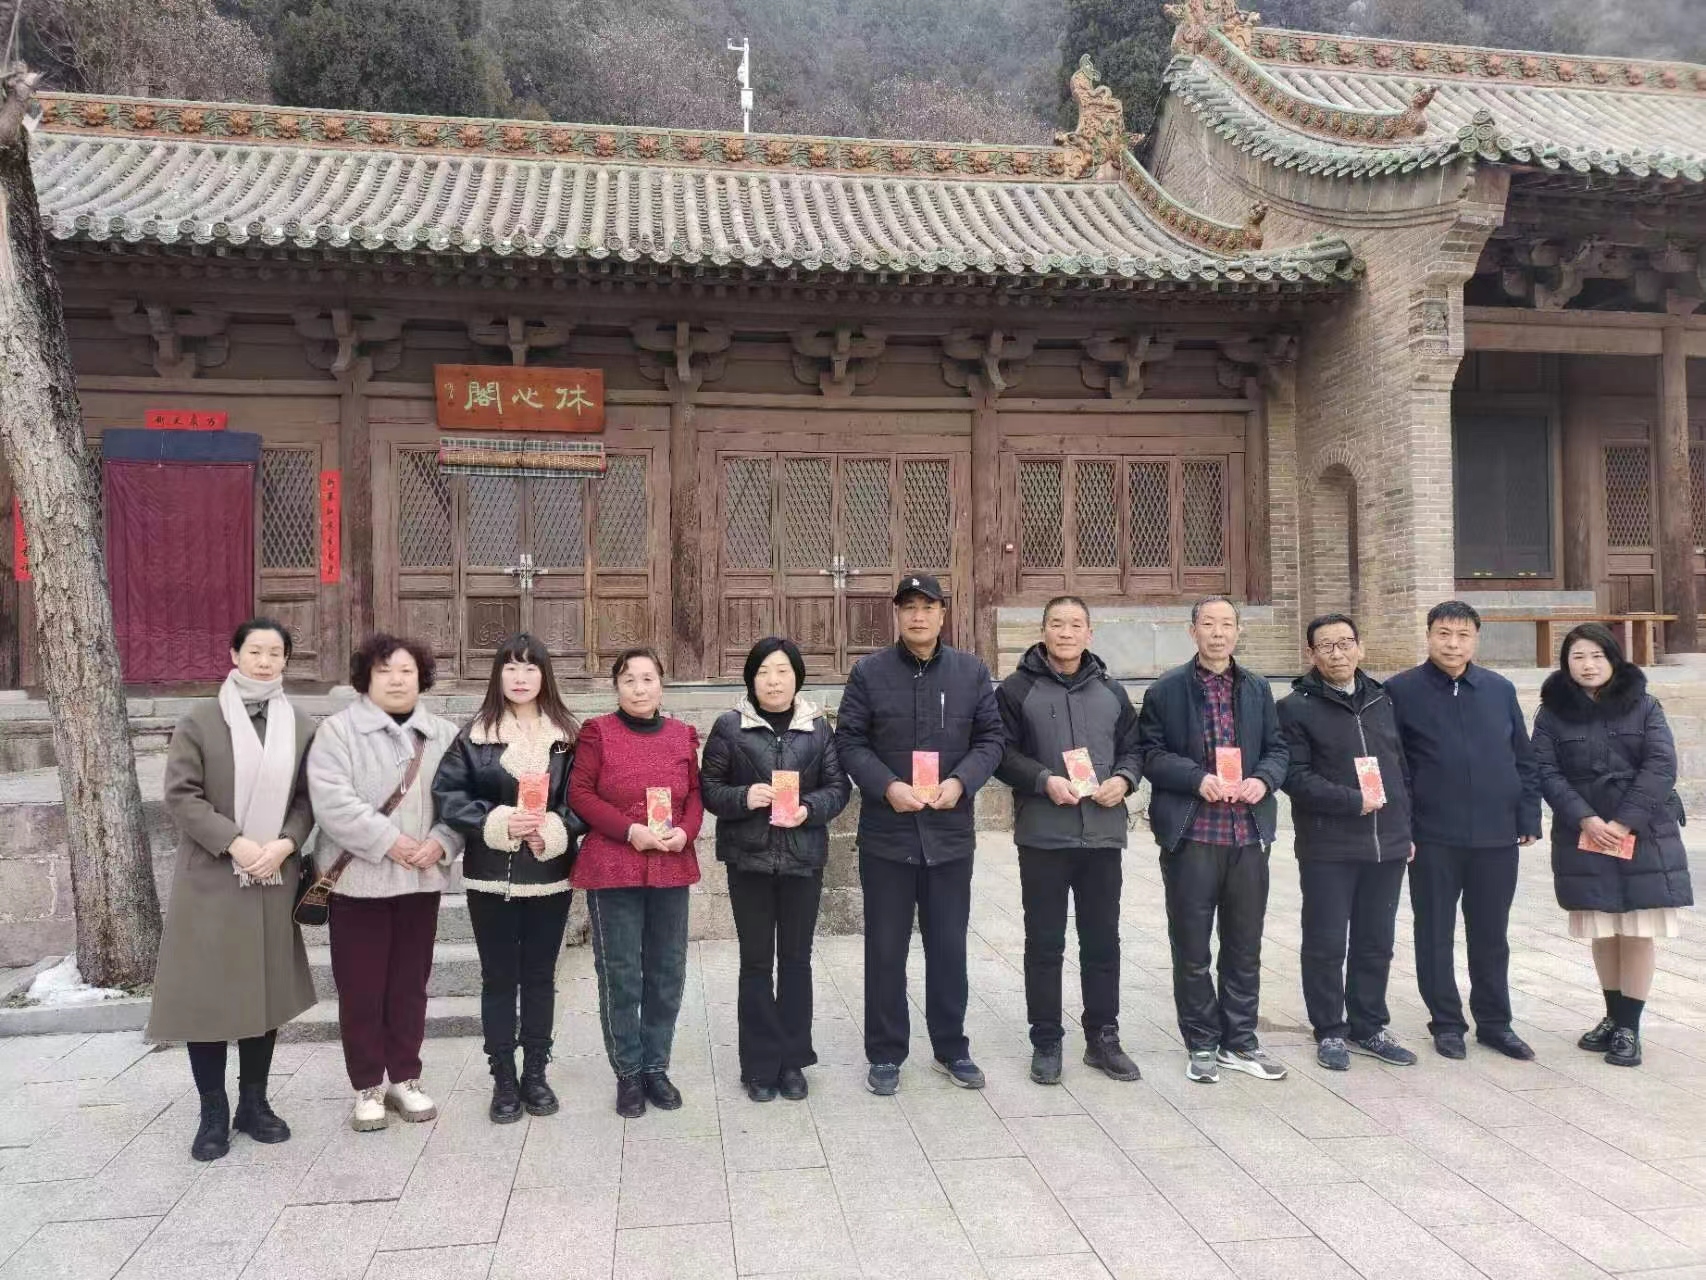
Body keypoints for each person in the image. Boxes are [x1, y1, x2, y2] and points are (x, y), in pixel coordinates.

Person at [146, 617, 317, 1162]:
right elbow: (182, 795)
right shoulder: (201, 720)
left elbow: (307, 799)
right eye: (255, 651)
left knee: (262, 993)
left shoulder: (300, 725)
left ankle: (254, 1103)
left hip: (273, 877)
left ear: (286, 660)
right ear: (234, 654)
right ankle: (212, 1112)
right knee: (209, 996)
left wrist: (286, 843)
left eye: (275, 653)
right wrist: (235, 842)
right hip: (213, 877)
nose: (265, 662)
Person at [835, 573, 1004, 1096]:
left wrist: (961, 781)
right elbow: (849, 742)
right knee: (885, 951)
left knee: (949, 949)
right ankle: (886, 1053)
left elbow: (991, 740)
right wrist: (887, 786)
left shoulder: (971, 673)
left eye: (927, 606)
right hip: (888, 836)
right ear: (897, 614)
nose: (918, 615)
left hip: (949, 835)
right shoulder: (869, 673)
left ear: (942, 614)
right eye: (908, 606)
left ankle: (951, 1047)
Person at [307, 634, 464, 1132]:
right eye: (384, 671)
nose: (396, 680)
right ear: (366, 678)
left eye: (406, 671)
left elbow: (461, 798)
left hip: (420, 881)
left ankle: (406, 1077)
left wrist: (442, 841)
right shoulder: (337, 732)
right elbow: (332, 802)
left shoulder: (443, 733)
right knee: (361, 988)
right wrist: (390, 841)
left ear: (421, 677)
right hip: (359, 884)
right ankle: (368, 1085)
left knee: (409, 986)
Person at [1137, 595, 1290, 1084]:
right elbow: (1150, 754)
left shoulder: (1257, 688)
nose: (1218, 633)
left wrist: (1263, 779)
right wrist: (1196, 777)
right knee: (1192, 947)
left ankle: (1240, 1041)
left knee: (1244, 945)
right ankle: (1202, 1041)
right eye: (1209, 624)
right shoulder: (1166, 690)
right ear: (1193, 631)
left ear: (1238, 632)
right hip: (1193, 834)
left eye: (1227, 624)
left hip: (1247, 833)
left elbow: (1278, 749)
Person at [433, 634, 583, 1124]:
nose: (520, 678)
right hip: (490, 877)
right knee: (498, 978)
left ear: (545, 676)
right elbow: (449, 795)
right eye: (511, 668)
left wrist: (554, 829)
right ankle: (502, 1076)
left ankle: (536, 1072)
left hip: (549, 875)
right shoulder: (475, 736)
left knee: (540, 976)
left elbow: (582, 798)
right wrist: (497, 821)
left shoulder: (567, 737)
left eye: (530, 668)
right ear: (498, 675)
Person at [997, 597, 1144, 1086]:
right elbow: (1001, 752)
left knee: (1102, 941)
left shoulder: (1111, 691)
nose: (1066, 632)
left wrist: (1124, 779)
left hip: (1102, 834)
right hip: (1044, 835)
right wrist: (1043, 780)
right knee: (1045, 942)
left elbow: (1134, 748)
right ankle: (1046, 1040)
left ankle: (1103, 1038)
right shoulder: (1017, 689)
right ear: (1043, 631)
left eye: (1075, 624)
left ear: (1089, 632)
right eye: (1057, 624)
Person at [1532, 623, 1693, 1069]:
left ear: (1613, 659)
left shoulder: (1644, 705)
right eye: (1578, 656)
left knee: (1637, 930)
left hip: (1644, 833)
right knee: (1602, 929)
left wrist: (1623, 822)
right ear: (1566, 663)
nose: (1588, 665)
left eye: (1597, 655)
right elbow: (1545, 771)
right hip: (1585, 834)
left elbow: (1661, 765)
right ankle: (1612, 1015)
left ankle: (1629, 1028)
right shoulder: (1551, 713)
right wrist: (1586, 818)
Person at [1386, 600, 1541, 1062]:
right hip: (1432, 836)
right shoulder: (1400, 691)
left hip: (1496, 835)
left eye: (1463, 635)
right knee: (1434, 931)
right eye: (1444, 634)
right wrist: (1403, 828)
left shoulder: (1498, 689)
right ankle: (1447, 1022)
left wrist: (1528, 816)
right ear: (1428, 635)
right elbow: (1395, 767)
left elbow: (1523, 757)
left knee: (1491, 934)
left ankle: (1495, 1023)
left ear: (1476, 639)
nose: (1453, 644)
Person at [701, 637, 852, 1102]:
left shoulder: (817, 728)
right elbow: (709, 789)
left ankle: (792, 1061)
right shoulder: (730, 727)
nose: (773, 680)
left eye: (783, 671)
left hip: (803, 860)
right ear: (751, 678)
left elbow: (838, 788)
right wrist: (744, 797)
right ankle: (759, 1064)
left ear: (797, 678)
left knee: (796, 961)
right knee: (755, 962)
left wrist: (809, 809)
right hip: (748, 859)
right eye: (764, 671)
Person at [1278, 613, 1417, 1072]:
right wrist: (1351, 801)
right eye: (1326, 646)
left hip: (1387, 843)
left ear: (1361, 647)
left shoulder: (1384, 699)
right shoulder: (1294, 708)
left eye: (1345, 643)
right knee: (1326, 942)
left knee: (1376, 942)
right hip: (1329, 846)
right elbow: (1295, 777)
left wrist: (1406, 829)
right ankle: (1329, 1030)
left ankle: (1369, 1025)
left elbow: (1403, 769)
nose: (1337, 653)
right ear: (1311, 654)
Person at [569, 647, 704, 1118]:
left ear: (662, 684)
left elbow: (695, 796)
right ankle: (628, 1072)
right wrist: (630, 831)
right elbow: (579, 793)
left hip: (670, 862)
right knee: (621, 972)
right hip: (613, 865)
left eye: (648, 679)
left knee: (668, 971)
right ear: (616, 687)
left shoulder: (681, 735)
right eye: (629, 680)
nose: (640, 688)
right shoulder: (597, 733)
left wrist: (685, 832)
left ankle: (656, 1067)